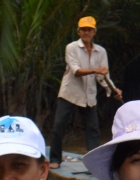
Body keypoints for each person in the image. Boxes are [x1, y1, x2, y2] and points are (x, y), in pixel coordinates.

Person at [49, 16, 122, 165]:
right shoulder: (71, 48)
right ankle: (55, 159)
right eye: (83, 30)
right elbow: (75, 70)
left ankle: (93, 163)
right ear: (78, 32)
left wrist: (113, 90)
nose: (86, 32)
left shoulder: (100, 51)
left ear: (94, 32)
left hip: (89, 95)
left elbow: (103, 76)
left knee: (93, 130)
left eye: (89, 30)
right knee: (58, 126)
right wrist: (95, 70)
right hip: (70, 93)